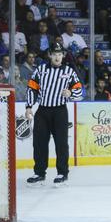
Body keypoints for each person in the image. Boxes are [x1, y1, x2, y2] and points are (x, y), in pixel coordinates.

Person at [25, 44, 83, 186]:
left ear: (63, 55)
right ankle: (39, 173)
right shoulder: (41, 69)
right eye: (54, 54)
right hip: (42, 111)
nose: (57, 57)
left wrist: (70, 94)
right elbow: (32, 88)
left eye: (60, 54)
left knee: (61, 144)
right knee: (39, 144)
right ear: (49, 55)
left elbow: (79, 91)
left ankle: (62, 173)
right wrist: (28, 107)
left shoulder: (69, 71)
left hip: (60, 112)